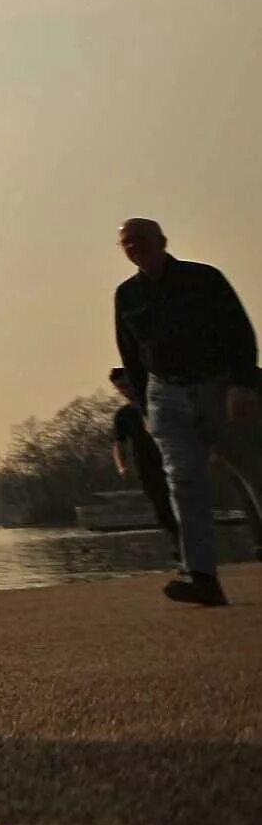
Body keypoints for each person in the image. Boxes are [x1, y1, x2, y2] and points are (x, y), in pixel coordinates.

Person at [112, 218, 262, 606]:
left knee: (254, 472)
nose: (134, 247)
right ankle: (202, 577)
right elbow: (131, 355)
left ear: (162, 241)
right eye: (126, 243)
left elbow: (240, 332)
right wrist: (144, 406)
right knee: (184, 484)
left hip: (219, 386)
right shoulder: (126, 296)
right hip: (165, 395)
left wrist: (243, 384)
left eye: (140, 239)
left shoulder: (204, 279)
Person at [108, 367, 178, 555]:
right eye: (120, 387)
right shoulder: (123, 415)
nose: (125, 390)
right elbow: (118, 443)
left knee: (181, 500)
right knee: (162, 507)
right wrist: (122, 466)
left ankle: (192, 547)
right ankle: (179, 546)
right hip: (146, 465)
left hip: (170, 458)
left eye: (126, 385)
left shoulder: (156, 404)